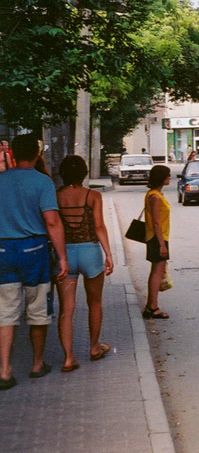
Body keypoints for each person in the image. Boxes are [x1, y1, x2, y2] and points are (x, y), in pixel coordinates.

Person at [0, 135, 69, 390]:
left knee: (6, 310)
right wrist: (62, 257)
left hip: (3, 250)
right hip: (34, 250)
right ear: (38, 155)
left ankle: (4, 369)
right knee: (38, 307)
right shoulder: (43, 182)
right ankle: (37, 364)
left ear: (13, 155)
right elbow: (52, 221)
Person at [54, 156, 113, 372]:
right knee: (95, 302)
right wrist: (108, 254)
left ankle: (69, 358)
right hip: (90, 253)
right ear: (84, 173)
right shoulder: (93, 196)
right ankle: (94, 347)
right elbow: (99, 226)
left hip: (65, 255)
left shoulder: (56, 196)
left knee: (66, 310)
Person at [143, 165, 171, 320]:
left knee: (157, 271)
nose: (170, 177)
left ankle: (151, 305)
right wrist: (162, 245)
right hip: (157, 238)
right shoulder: (155, 197)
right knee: (156, 272)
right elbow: (156, 222)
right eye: (168, 175)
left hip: (159, 237)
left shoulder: (155, 194)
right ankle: (152, 307)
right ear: (161, 178)